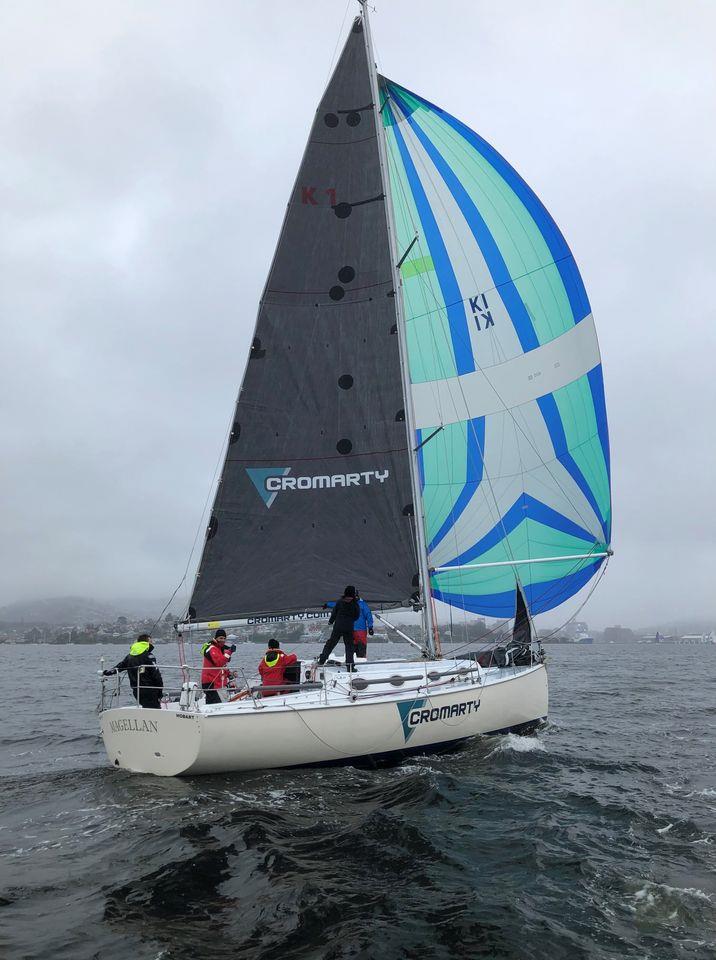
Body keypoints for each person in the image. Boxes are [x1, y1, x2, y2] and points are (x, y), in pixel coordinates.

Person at [103, 634, 164, 708]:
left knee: (145, 707)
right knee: (154, 710)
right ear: (147, 643)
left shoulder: (129, 656)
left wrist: (106, 672)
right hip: (150, 690)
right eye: (151, 641)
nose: (152, 643)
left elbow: (119, 667)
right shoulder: (149, 656)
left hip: (136, 690)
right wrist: (160, 691)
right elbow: (156, 675)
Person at [317, 585, 360, 670]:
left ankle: (321, 661)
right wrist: (350, 620)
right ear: (353, 593)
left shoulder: (340, 602)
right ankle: (350, 667)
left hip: (338, 626)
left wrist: (331, 621)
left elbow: (334, 613)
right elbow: (357, 616)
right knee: (349, 647)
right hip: (348, 627)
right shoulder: (355, 604)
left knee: (331, 644)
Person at [201, 629, 237, 704]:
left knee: (213, 706)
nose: (222, 640)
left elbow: (222, 666)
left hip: (217, 683)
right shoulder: (212, 648)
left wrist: (229, 674)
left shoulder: (219, 649)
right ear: (216, 638)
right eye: (220, 638)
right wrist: (229, 652)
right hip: (212, 683)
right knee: (218, 706)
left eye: (224, 638)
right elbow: (219, 662)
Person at [353, 592, 374, 659]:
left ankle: (360, 659)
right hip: (356, 630)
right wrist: (370, 627)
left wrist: (370, 627)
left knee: (358, 646)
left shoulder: (362, 604)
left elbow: (368, 615)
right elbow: (368, 615)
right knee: (355, 647)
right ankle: (357, 660)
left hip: (358, 630)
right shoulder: (363, 604)